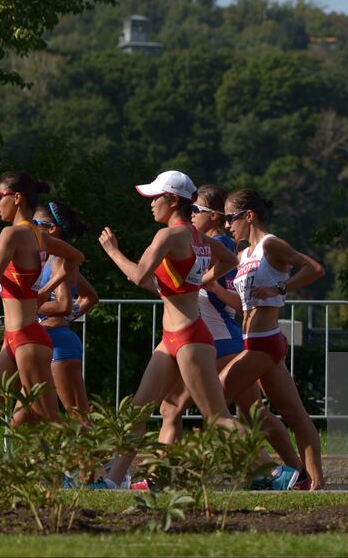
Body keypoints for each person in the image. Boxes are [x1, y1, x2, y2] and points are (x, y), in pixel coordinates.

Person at [156, 184, 307, 490]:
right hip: (219, 339)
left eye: (197, 210)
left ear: (212, 216)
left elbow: (238, 301)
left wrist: (208, 285)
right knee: (255, 414)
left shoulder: (220, 247)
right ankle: (295, 473)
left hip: (219, 340)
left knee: (175, 407)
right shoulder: (200, 243)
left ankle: (168, 478)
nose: (192, 214)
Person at [95, 170, 239, 489]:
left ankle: (273, 473)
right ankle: (113, 480)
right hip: (173, 339)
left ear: (172, 200)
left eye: (154, 198)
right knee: (138, 411)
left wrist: (112, 251)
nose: (150, 205)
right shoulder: (198, 236)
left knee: (217, 418)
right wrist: (197, 281)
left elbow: (137, 275)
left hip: (190, 338)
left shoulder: (169, 236)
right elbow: (229, 259)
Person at [217, 188, 327, 489]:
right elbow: (242, 304)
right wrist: (211, 287)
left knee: (213, 400)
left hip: (265, 342)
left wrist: (281, 288)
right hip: (255, 342)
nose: (228, 225)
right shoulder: (243, 255)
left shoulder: (270, 245)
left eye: (230, 218)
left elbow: (315, 269)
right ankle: (310, 481)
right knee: (292, 414)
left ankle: (276, 473)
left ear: (248, 215)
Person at [0, 172, 84, 424]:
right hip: (16, 338)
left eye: (0, 196)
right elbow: (76, 258)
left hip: (28, 337)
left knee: (50, 419)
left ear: (17, 197)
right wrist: (44, 289)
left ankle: (97, 458)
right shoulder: (39, 235)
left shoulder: (12, 234)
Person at [33, 200, 98, 418]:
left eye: (35, 223)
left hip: (58, 343)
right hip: (55, 339)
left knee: (78, 416)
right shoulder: (54, 260)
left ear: (51, 229)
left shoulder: (59, 260)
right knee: (31, 412)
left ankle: (97, 453)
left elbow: (63, 303)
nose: (29, 228)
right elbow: (90, 297)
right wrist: (67, 316)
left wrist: (31, 307)